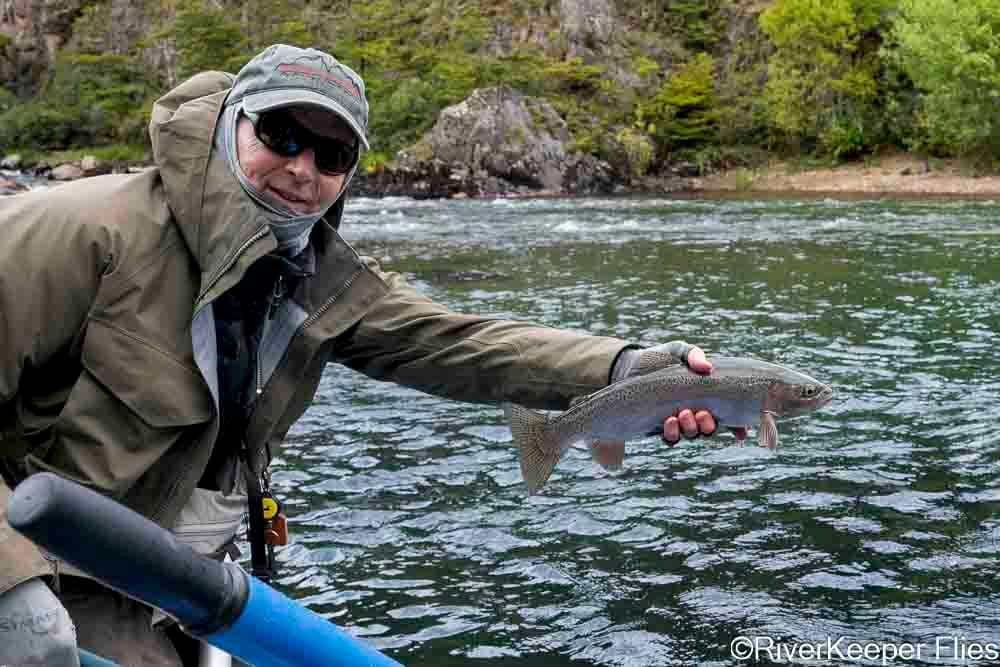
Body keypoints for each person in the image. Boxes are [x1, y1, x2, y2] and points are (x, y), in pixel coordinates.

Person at [0, 44, 725, 666]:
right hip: (55, 567)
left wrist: (625, 367)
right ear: (230, 122)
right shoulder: (79, 232)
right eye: (281, 133)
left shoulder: (312, 278)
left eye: (332, 152)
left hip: (170, 579)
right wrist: (13, 584)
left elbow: (459, 342)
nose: (301, 167)